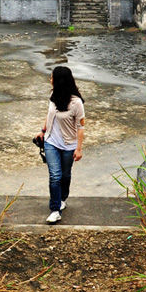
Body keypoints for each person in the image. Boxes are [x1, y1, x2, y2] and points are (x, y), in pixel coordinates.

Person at [36, 66, 85, 224]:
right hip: (51, 142)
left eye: (52, 78)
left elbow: (81, 127)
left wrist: (79, 149)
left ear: (59, 81)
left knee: (65, 175)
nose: (50, 80)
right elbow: (49, 115)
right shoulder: (53, 95)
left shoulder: (76, 103)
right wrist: (43, 131)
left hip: (69, 145)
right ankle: (55, 209)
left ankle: (62, 198)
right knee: (55, 176)